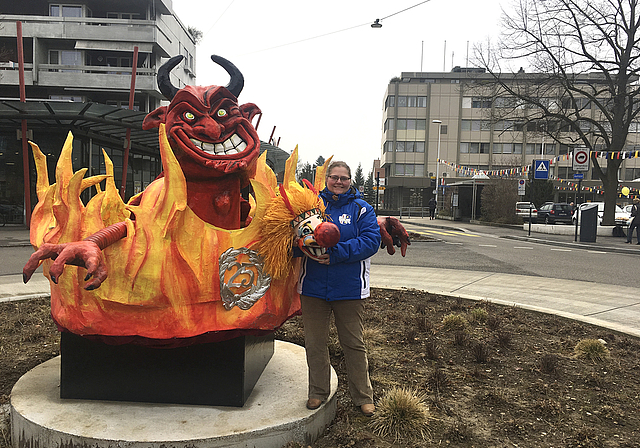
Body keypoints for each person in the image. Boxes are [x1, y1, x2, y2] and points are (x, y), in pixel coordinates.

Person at [297, 161, 381, 417]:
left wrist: (335, 253)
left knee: (353, 344)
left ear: (350, 181)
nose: (339, 182)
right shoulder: (311, 207)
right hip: (313, 287)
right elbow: (292, 238)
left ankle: (363, 396)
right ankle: (318, 392)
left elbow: (370, 241)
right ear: (327, 180)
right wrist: (303, 246)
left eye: (344, 178)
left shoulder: (361, 209)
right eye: (334, 177)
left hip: (350, 288)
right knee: (315, 343)